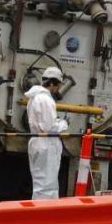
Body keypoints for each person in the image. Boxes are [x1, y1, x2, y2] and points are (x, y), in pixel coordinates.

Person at [25, 67, 69, 200]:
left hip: (37, 142)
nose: (58, 89)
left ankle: (39, 213)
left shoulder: (34, 98)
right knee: (47, 185)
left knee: (40, 182)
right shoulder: (45, 100)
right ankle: (44, 214)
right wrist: (65, 123)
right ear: (51, 83)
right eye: (58, 85)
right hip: (46, 144)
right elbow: (49, 127)